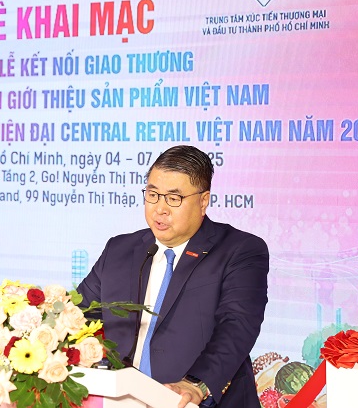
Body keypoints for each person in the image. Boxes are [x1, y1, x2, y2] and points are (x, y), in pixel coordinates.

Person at [77, 145, 269, 407]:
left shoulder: (239, 250)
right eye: (153, 194)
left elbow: (237, 326)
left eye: (174, 198)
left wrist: (196, 384)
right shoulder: (119, 249)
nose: (160, 209)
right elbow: (80, 315)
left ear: (203, 201)